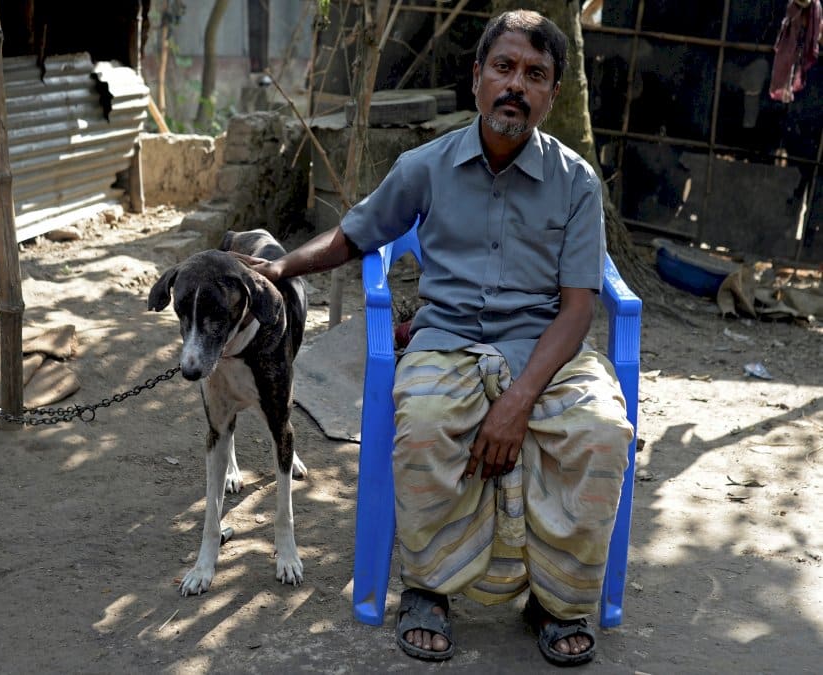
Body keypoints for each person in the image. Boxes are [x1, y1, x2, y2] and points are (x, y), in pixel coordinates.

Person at [234, 9, 634, 667]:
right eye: (503, 67)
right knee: (421, 421)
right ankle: (429, 590)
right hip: (445, 339)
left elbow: (575, 309)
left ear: (552, 94)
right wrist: (282, 266)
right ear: (477, 77)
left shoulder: (576, 182)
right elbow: (357, 232)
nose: (516, 85)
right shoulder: (427, 165)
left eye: (534, 75)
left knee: (602, 430)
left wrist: (518, 400)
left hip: (546, 349)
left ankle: (557, 599)